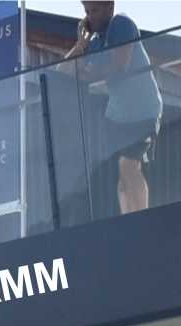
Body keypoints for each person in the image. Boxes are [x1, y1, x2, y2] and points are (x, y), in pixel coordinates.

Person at [64, 0, 162, 215]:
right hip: (116, 117)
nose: (90, 16)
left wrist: (89, 76)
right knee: (122, 170)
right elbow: (64, 71)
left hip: (144, 112)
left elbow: (119, 66)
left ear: (110, 8)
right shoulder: (94, 43)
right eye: (87, 11)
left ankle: (141, 218)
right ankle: (128, 220)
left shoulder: (121, 24)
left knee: (129, 163)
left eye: (95, 10)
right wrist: (81, 44)